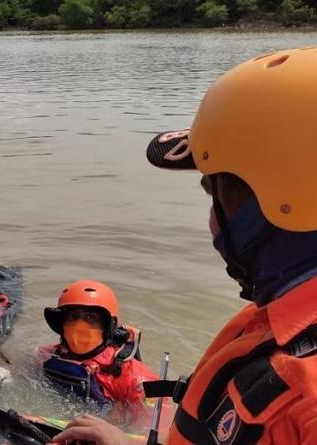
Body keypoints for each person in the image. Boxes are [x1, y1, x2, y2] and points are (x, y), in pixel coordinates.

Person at [52, 47, 317, 445]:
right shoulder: (274, 324)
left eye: (214, 192)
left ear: (277, 196)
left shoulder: (305, 391)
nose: (211, 221)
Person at [41, 280, 158, 430]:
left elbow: (155, 433)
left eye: (91, 318)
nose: (79, 325)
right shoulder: (47, 355)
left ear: (108, 327)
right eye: (72, 316)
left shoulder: (135, 379)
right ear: (61, 324)